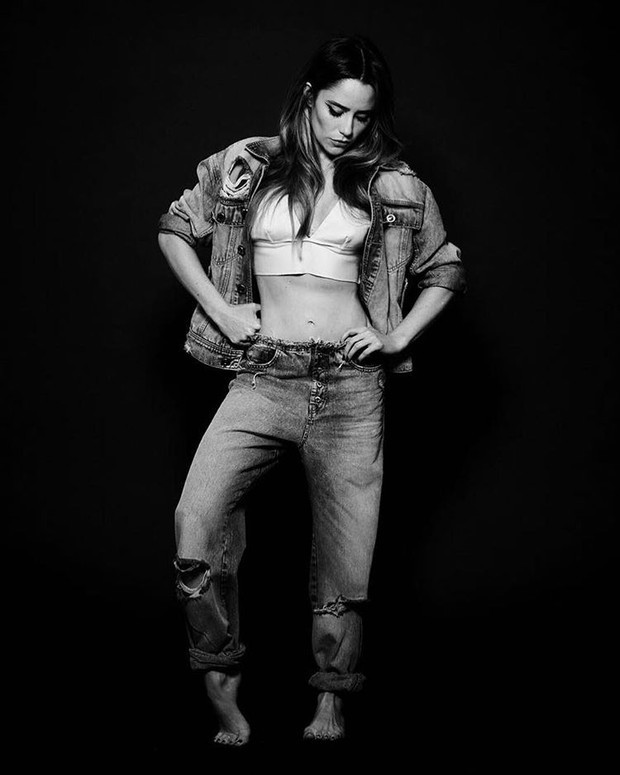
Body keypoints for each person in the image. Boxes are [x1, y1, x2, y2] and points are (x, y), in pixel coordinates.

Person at [157, 34, 466, 746]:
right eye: (335, 110)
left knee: (345, 552)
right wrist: (222, 311)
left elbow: (444, 267)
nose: (347, 128)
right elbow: (175, 228)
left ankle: (332, 695)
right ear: (308, 97)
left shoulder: (394, 185)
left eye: (362, 115)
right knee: (195, 519)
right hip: (265, 375)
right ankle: (220, 675)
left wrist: (397, 337)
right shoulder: (248, 163)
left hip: (351, 387)